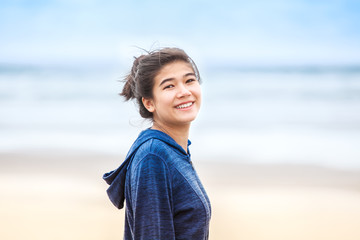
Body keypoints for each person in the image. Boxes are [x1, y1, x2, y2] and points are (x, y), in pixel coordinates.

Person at [103, 47, 211, 240]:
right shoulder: (153, 156)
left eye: (189, 80)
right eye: (169, 86)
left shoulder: (175, 150)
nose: (184, 92)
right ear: (149, 103)